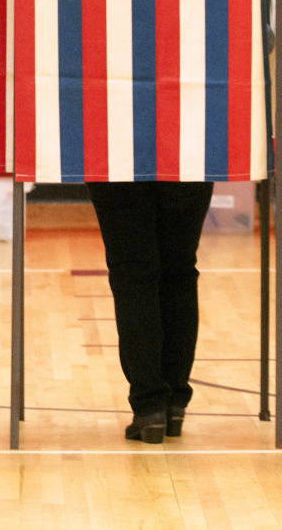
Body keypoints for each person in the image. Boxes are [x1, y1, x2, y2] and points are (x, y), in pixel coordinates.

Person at [85, 181, 214, 444]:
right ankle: (174, 405)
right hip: (188, 148)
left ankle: (149, 407)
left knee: (133, 271)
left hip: (118, 151)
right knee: (180, 270)